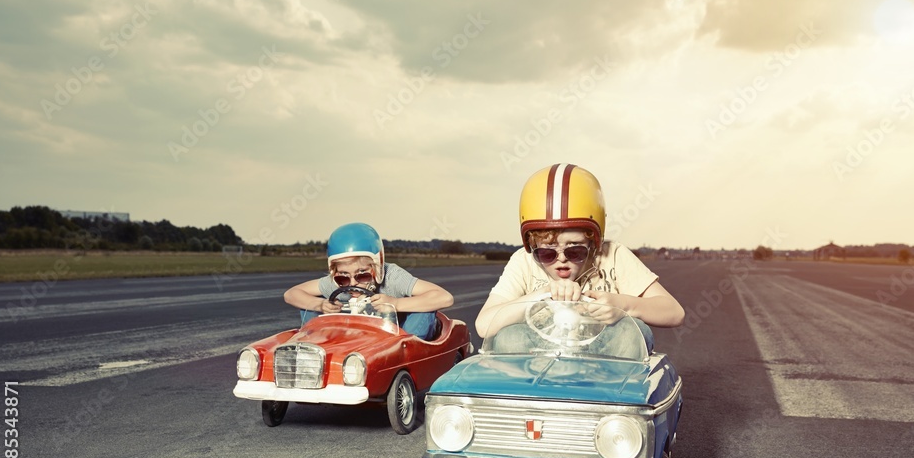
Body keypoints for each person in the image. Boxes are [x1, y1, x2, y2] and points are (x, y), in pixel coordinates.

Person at [475, 163, 685, 353]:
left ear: (593, 242)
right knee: (509, 338)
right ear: (532, 246)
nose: (561, 259)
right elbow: (484, 325)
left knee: (631, 333)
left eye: (575, 251)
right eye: (546, 253)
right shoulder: (523, 261)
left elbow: (674, 312)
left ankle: (608, 395)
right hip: (541, 355)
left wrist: (622, 305)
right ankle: (533, 395)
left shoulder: (613, 254)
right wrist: (543, 293)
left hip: (605, 358)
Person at [283, 222, 453, 340]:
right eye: (343, 277)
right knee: (310, 305)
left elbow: (445, 298)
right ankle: (319, 346)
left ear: (377, 266)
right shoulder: (336, 283)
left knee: (423, 310)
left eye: (362, 275)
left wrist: (396, 303)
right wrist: (318, 305)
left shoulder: (393, 277)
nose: (352, 283)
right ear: (335, 273)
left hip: (400, 334)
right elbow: (291, 294)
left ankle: (408, 351)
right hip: (361, 338)